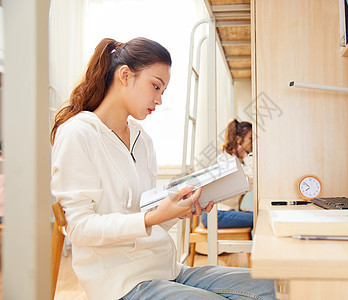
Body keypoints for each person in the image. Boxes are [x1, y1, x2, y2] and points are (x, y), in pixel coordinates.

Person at [50, 37, 275, 300]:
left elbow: (144, 216)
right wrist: (152, 218)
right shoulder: (78, 133)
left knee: (275, 287)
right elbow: (79, 228)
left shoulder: (142, 139)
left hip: (165, 268)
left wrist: (177, 211)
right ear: (125, 75)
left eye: (163, 91)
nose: (158, 99)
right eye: (155, 86)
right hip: (120, 281)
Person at [201, 119, 254, 229]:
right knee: (258, 218)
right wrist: (245, 155)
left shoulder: (235, 160)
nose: (253, 142)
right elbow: (253, 177)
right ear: (239, 140)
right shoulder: (226, 160)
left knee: (260, 215)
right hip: (216, 214)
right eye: (250, 138)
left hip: (225, 212)